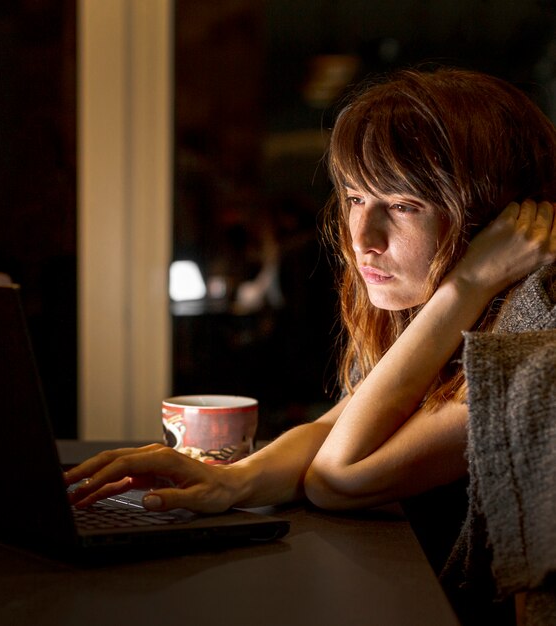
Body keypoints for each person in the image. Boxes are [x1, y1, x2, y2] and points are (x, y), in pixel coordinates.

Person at [66, 68, 556, 526]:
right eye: (355, 199)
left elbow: (339, 476)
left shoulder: (535, 330)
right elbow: (332, 428)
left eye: (404, 206)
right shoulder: (440, 313)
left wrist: (465, 285)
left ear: (497, 219)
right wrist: (233, 480)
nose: (363, 238)